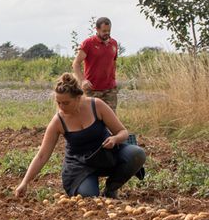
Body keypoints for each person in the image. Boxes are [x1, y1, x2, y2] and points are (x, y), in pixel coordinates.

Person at [15, 73, 146, 199]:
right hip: (80, 165)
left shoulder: (96, 105)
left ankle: (111, 189)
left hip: (105, 154)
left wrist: (114, 139)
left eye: (66, 103)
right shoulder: (58, 121)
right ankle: (87, 184)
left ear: (78, 98)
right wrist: (25, 182)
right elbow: (42, 155)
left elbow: (123, 132)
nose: (61, 107)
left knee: (137, 154)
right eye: (58, 102)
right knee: (88, 196)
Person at [73, 17, 119, 110]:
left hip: (110, 90)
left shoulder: (113, 43)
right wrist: (82, 81)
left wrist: (113, 78)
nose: (107, 33)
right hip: (92, 90)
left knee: (110, 120)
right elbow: (76, 64)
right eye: (104, 30)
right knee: (92, 119)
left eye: (109, 30)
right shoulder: (88, 43)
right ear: (97, 29)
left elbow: (113, 62)